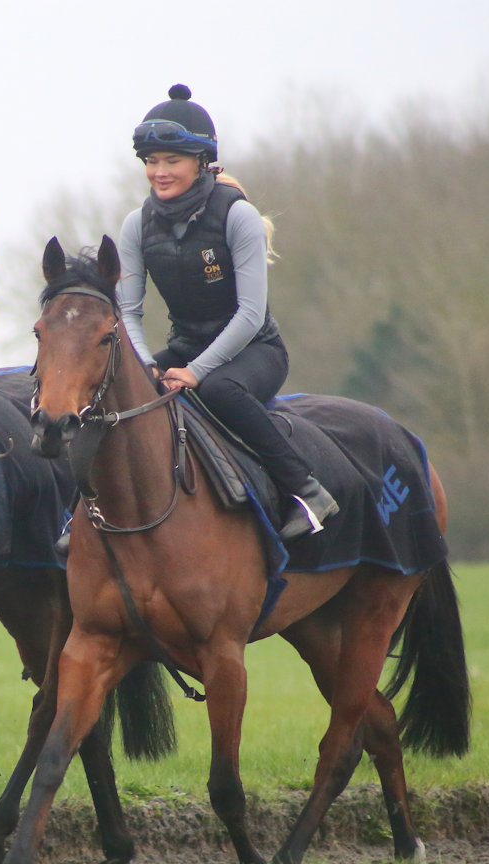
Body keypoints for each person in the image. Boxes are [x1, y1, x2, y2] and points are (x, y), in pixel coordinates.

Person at [116, 85, 338, 539]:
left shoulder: (238, 216)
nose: (159, 172)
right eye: (152, 161)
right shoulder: (136, 225)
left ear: (202, 161)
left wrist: (195, 372)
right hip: (186, 348)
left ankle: (307, 491)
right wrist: (143, 366)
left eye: (172, 161)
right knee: (120, 390)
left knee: (219, 390)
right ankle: (80, 514)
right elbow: (128, 313)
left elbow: (251, 315)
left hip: (254, 351)